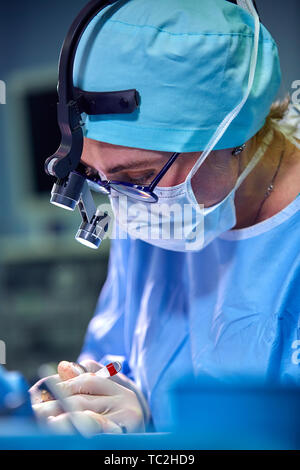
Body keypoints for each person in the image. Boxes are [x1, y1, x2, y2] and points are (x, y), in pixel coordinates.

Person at [30, 0, 300, 434]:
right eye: (99, 177)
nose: (124, 205)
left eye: (137, 175)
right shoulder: (152, 215)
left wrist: (164, 429)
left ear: (231, 131)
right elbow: (116, 358)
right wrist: (101, 397)